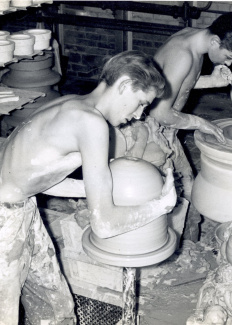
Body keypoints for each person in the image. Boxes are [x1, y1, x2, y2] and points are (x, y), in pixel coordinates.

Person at [0, 50, 176, 325]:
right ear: (125, 85)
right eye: (141, 103)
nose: (140, 115)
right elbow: (104, 225)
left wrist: (98, 190)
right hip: (4, 217)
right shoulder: (92, 123)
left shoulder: (73, 104)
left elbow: (38, 177)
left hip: (21, 202)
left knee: (54, 304)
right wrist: (161, 205)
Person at [124, 12, 232, 242]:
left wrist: (213, 80)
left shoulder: (194, 39)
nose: (228, 64)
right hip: (147, 132)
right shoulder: (183, 54)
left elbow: (180, 82)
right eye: (228, 57)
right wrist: (199, 122)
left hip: (166, 129)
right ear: (215, 42)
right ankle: (156, 249)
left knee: (191, 190)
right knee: (155, 198)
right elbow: (161, 112)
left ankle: (186, 247)